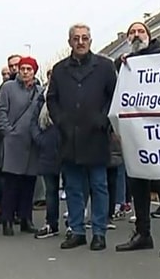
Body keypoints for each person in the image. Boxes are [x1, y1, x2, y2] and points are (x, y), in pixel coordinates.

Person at [47, 23, 117, 251]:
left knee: (99, 186)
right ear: (70, 42)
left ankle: (99, 232)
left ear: (90, 41)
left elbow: (114, 97)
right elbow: (52, 100)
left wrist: (103, 119)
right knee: (74, 188)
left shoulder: (105, 67)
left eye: (85, 38)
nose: (80, 42)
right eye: (76, 38)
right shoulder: (59, 70)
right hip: (69, 137)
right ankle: (76, 231)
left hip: (95, 136)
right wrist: (61, 122)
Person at [115, 22, 160, 258]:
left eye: (140, 31)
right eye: (131, 32)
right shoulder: (128, 63)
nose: (136, 35)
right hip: (136, 134)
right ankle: (142, 233)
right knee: (138, 184)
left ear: (149, 36)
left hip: (159, 134)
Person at [0, 56, 45, 236]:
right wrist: (8, 131)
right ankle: (7, 220)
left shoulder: (40, 91)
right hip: (14, 143)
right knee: (11, 184)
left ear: (34, 71)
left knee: (29, 184)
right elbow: (1, 111)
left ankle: (26, 219)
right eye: (22, 68)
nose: (25, 72)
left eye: (29, 69)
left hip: (32, 143)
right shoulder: (8, 88)